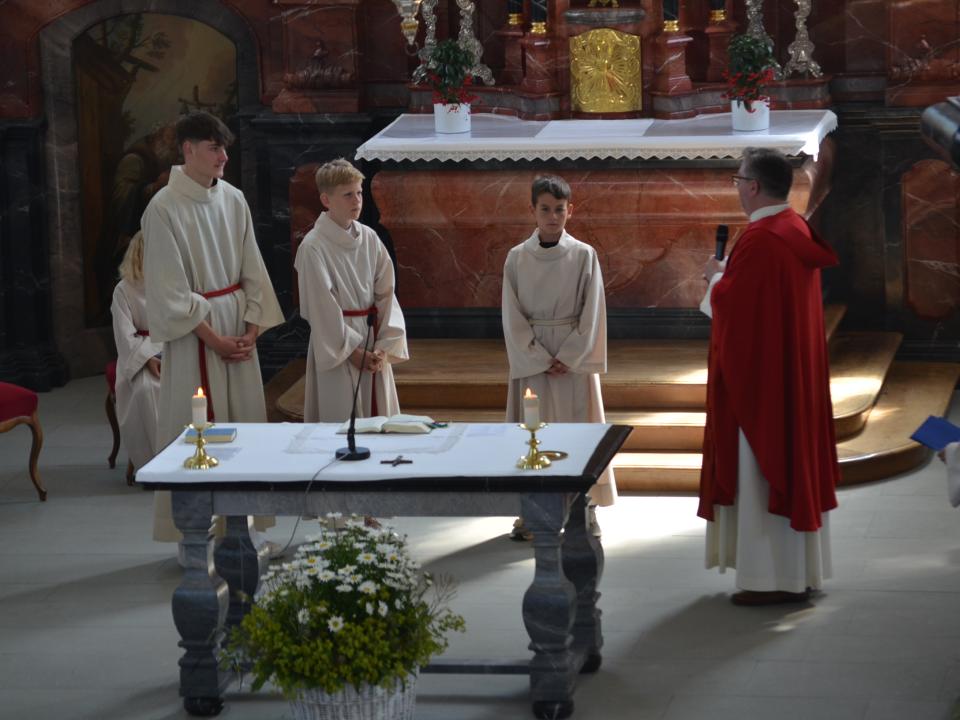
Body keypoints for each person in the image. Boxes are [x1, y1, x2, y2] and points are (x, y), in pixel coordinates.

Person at [698, 147, 840, 606]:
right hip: (788, 376)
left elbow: (737, 312)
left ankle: (769, 580)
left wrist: (716, 281)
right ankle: (798, 573)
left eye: (738, 180)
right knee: (785, 465)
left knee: (761, 473)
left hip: (761, 387)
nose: (737, 188)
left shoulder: (761, 240)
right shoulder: (794, 227)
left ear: (754, 186)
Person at [142, 111, 284, 544]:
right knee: (195, 427)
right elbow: (168, 290)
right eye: (213, 147)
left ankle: (243, 529)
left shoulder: (233, 198)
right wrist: (216, 340)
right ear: (187, 150)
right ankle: (195, 531)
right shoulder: (163, 207)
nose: (224, 155)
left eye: (224, 147)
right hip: (197, 338)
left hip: (238, 331)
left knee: (245, 422)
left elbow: (253, 270)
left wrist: (251, 330)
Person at [502, 175, 616, 540]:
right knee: (533, 435)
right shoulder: (517, 258)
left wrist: (569, 354)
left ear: (571, 210)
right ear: (532, 210)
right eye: (545, 209)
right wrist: (536, 355)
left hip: (572, 357)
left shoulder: (584, 255)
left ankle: (585, 510)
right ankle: (532, 513)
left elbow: (592, 310)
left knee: (577, 432)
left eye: (560, 210)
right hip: (534, 355)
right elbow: (512, 314)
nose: (553, 217)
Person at [294, 158, 408, 424]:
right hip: (338, 344)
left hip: (373, 337)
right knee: (342, 424)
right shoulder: (313, 247)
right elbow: (321, 308)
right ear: (326, 200)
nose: (357, 200)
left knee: (381, 422)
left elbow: (386, 292)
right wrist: (353, 352)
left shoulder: (369, 237)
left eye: (359, 192)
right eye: (347, 195)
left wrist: (383, 346)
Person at [110, 230, 163, 472]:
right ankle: (153, 460)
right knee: (146, 390)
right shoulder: (123, 290)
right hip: (139, 354)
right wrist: (148, 358)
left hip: (171, 347)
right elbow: (124, 335)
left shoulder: (170, 283)